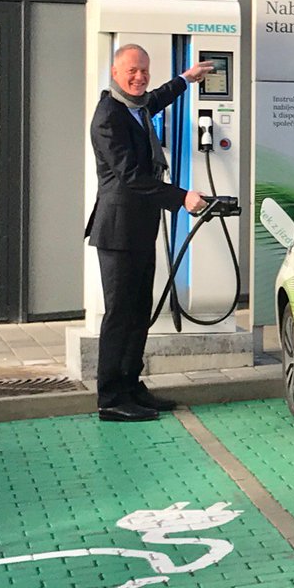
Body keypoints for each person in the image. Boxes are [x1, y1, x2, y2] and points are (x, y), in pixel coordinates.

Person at [85, 45, 213, 422]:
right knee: (120, 314)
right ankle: (110, 398)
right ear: (114, 72)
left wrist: (185, 81)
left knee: (140, 311)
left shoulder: (133, 108)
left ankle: (131, 385)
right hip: (118, 231)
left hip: (139, 228)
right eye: (131, 71)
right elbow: (130, 177)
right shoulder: (109, 116)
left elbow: (152, 100)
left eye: (144, 70)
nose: (139, 77)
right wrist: (181, 196)